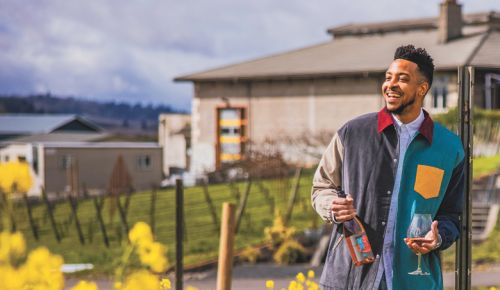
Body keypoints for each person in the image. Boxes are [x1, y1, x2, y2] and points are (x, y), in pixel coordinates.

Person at [311, 44, 465, 290]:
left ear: (422, 88)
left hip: (415, 280)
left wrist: (438, 238)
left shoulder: (449, 148)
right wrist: (332, 205)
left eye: (402, 79)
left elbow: (454, 215)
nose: (391, 85)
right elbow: (322, 186)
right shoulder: (352, 133)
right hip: (350, 278)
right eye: (388, 77)